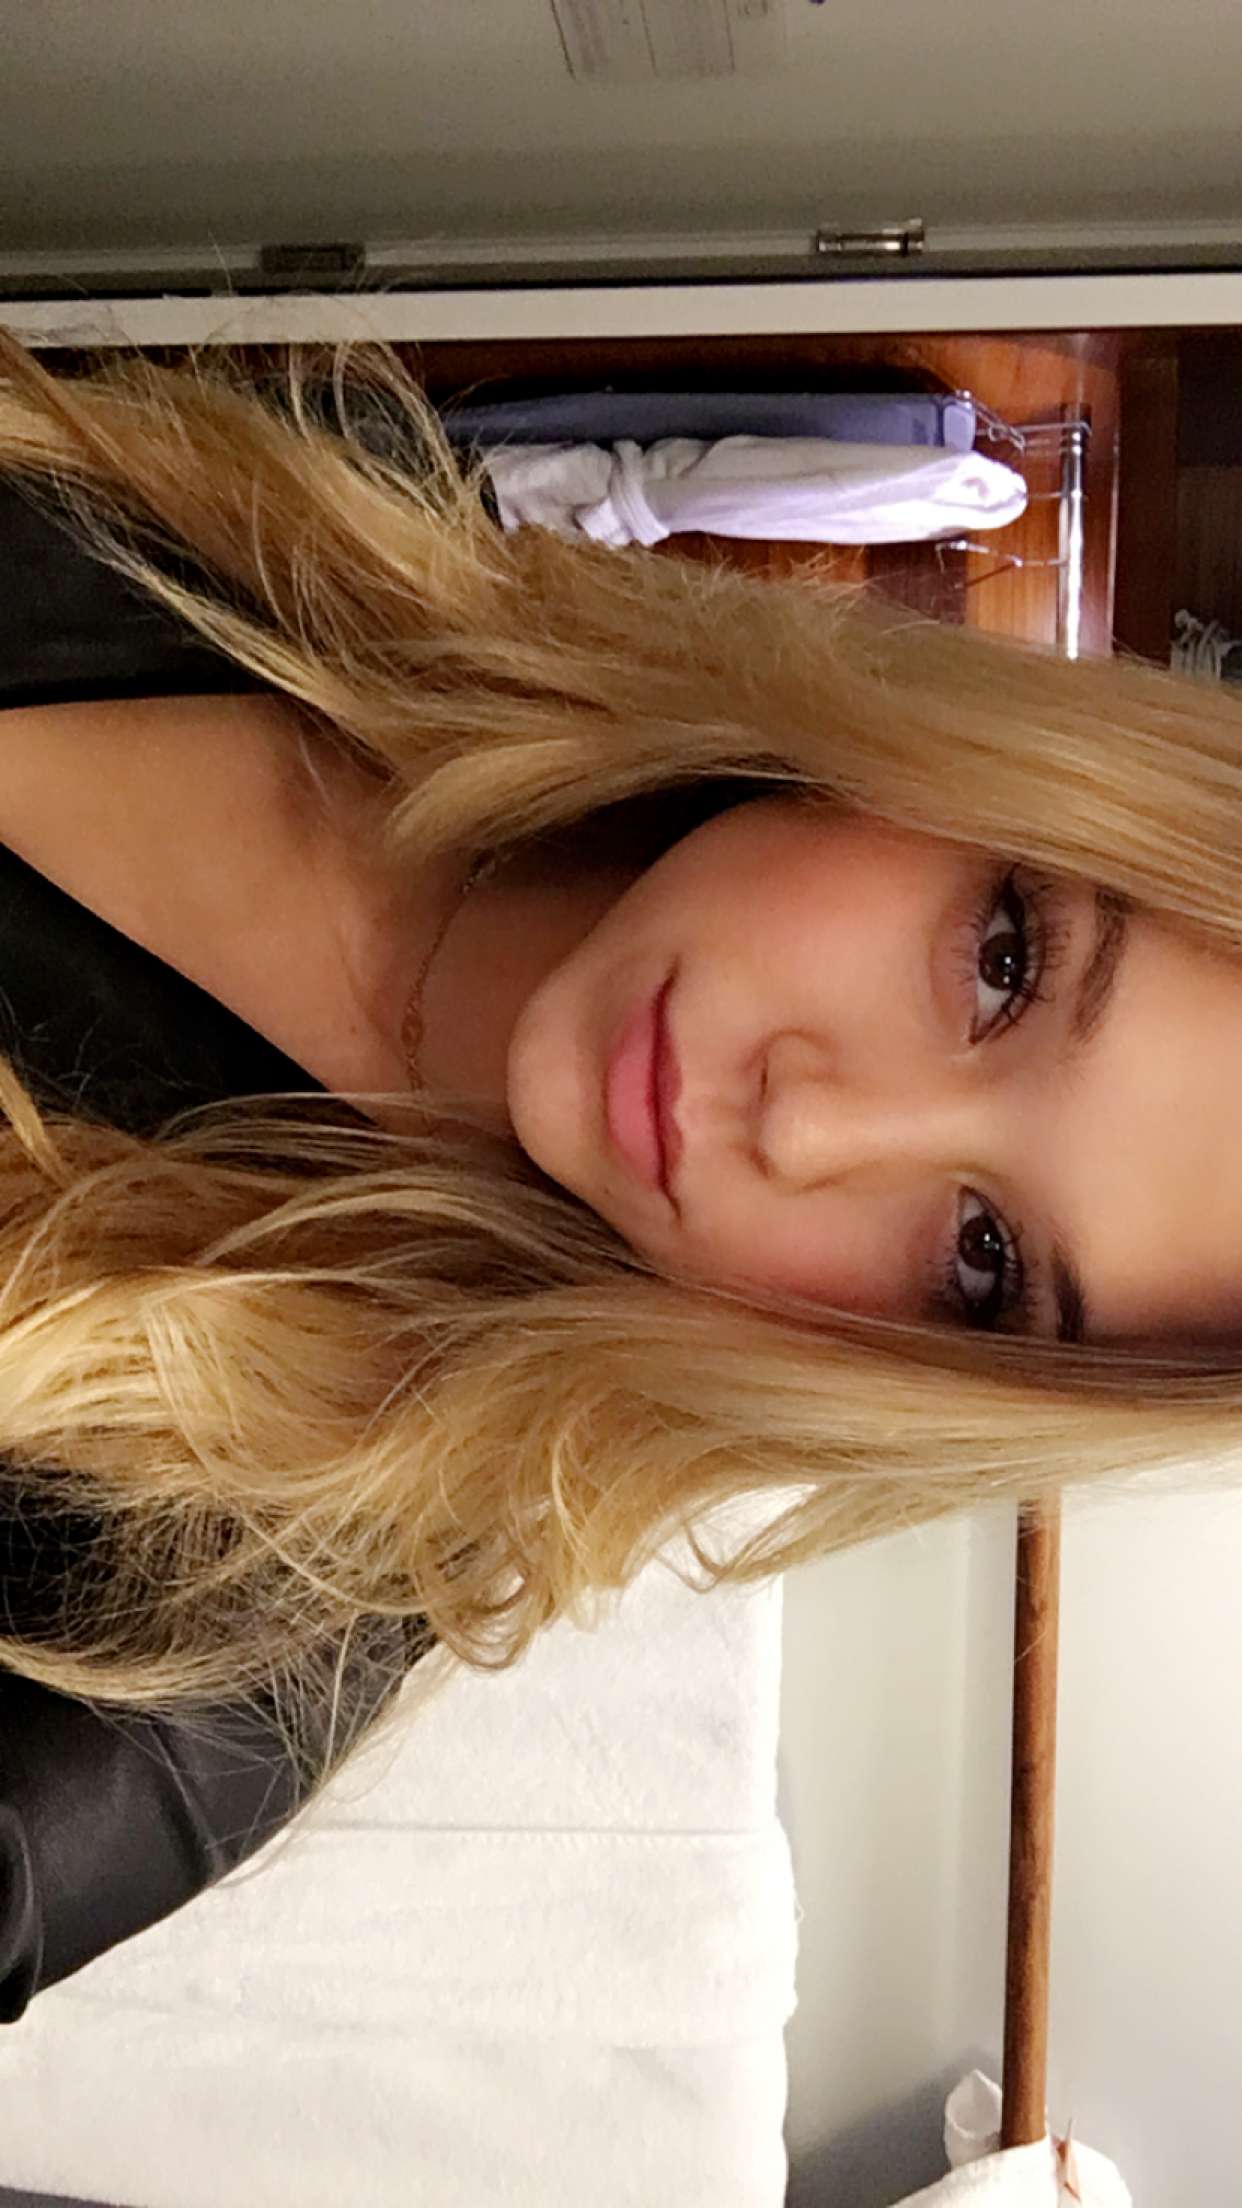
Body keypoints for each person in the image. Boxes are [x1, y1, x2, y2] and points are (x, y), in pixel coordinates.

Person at [1, 328, 1240, 2015]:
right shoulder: (330, 505)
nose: (806, 1129)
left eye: (976, 1262)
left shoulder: (159, 1675)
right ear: (967, 767)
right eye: (1004, 964)